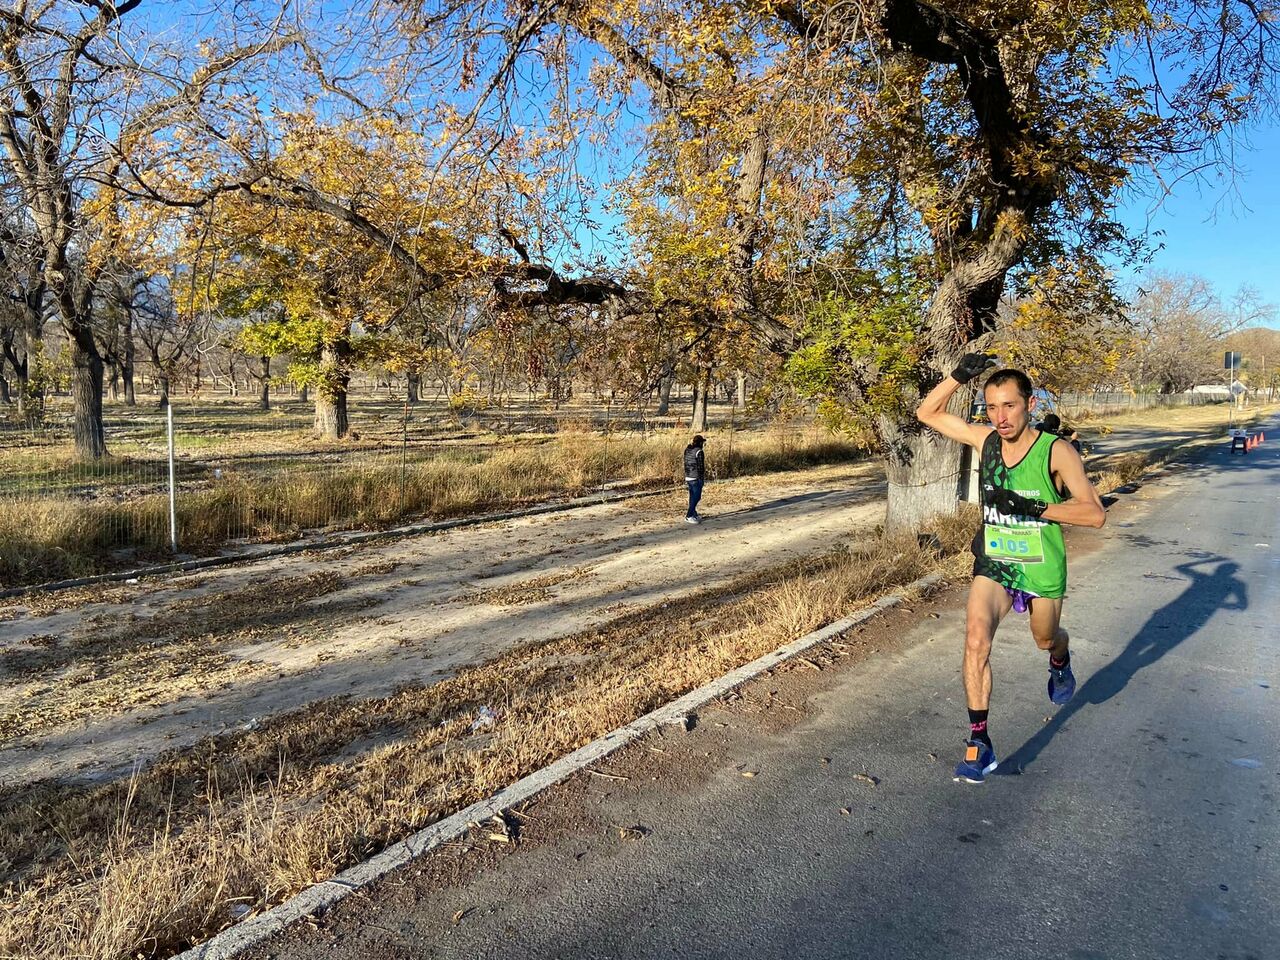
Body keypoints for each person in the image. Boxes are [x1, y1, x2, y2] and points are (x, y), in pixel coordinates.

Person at [916, 354, 1106, 783]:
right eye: (991, 407)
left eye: (1009, 406)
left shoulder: (1056, 451)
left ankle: (1060, 656)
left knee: (1044, 639)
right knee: (976, 640)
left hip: (1039, 566)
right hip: (996, 563)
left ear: (1030, 404)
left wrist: (1035, 507)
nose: (1000, 417)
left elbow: (1094, 515)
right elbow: (927, 413)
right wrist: (958, 376)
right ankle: (979, 742)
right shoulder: (986, 442)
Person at [683, 434, 707, 524]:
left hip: (688, 476)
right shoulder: (699, 452)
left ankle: (694, 513)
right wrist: (702, 478)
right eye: (703, 443)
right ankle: (689, 515)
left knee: (692, 496)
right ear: (700, 443)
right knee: (697, 497)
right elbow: (701, 467)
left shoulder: (687, 450)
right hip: (696, 477)